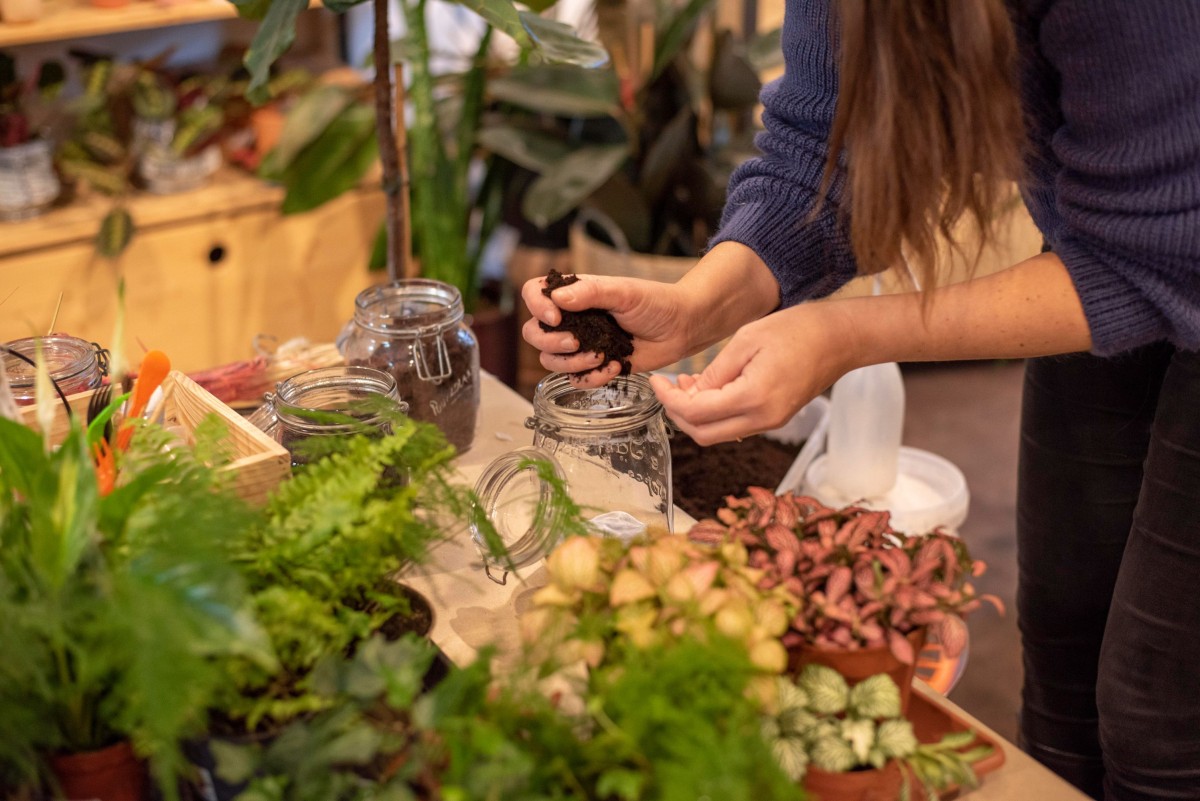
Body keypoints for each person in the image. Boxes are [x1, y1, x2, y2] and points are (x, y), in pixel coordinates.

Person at [520, 1, 1200, 798]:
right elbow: (825, 140)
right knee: (1062, 636)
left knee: (1160, 712)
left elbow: (1162, 252)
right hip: (1128, 224)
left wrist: (845, 334)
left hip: (1168, 233)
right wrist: (701, 303)